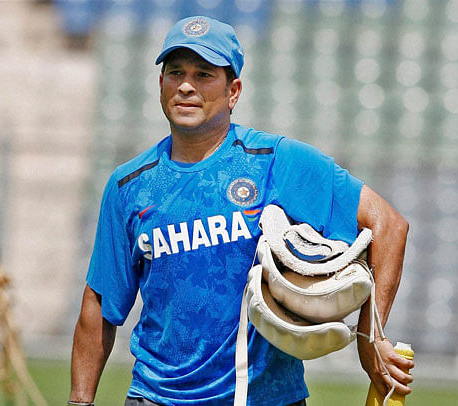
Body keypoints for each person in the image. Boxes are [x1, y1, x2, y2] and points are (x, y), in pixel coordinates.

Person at [69, 15, 413, 406]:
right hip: (156, 397)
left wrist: (371, 336)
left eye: (203, 74)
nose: (185, 85)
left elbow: (388, 224)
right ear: (160, 84)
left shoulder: (275, 162)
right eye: (175, 72)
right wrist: (80, 401)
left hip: (266, 398)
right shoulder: (129, 186)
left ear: (233, 92)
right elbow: (99, 304)